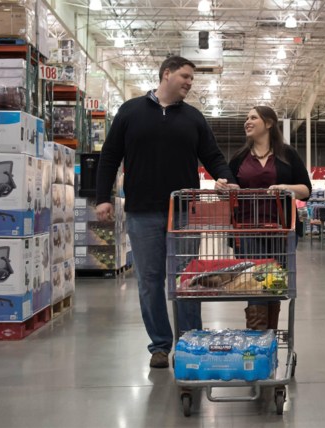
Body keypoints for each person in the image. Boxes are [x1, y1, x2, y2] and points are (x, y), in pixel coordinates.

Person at [95, 56, 238, 369]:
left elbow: (213, 156)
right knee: (150, 279)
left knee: (188, 278)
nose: (189, 82)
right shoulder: (131, 111)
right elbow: (109, 157)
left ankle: (191, 341)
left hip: (183, 212)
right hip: (141, 212)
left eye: (191, 79)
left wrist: (226, 178)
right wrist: (102, 197)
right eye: (185, 76)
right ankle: (160, 345)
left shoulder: (193, 118)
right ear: (166, 74)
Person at [216, 106, 312, 330]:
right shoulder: (240, 158)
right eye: (246, 118)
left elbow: (306, 189)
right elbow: (232, 188)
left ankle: (268, 336)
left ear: (268, 124)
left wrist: (284, 187)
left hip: (281, 230)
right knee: (254, 283)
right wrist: (221, 186)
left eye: (253, 118)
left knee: (274, 285)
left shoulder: (288, 155)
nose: (247, 122)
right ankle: (258, 337)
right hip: (247, 230)